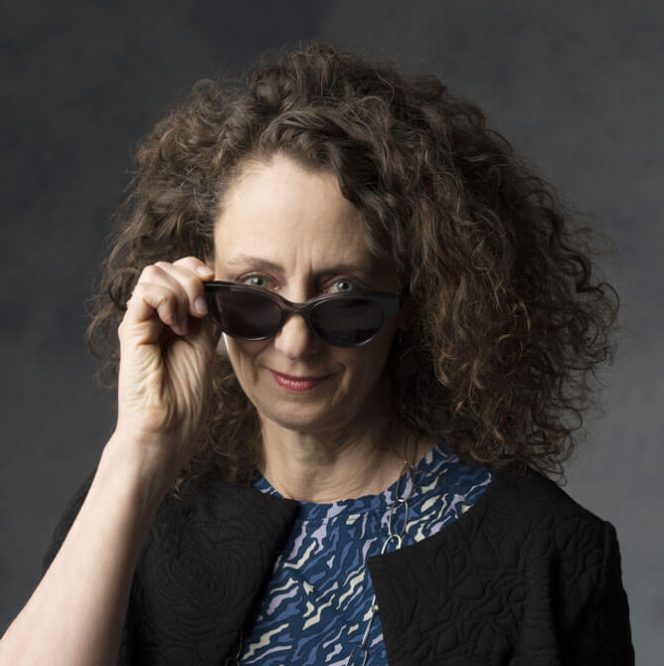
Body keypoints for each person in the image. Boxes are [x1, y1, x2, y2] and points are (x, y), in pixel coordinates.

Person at [0, 41, 634, 665]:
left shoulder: (549, 551)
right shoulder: (130, 510)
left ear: (413, 298)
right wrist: (139, 449)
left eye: (344, 296)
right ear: (202, 285)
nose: (295, 344)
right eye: (254, 291)